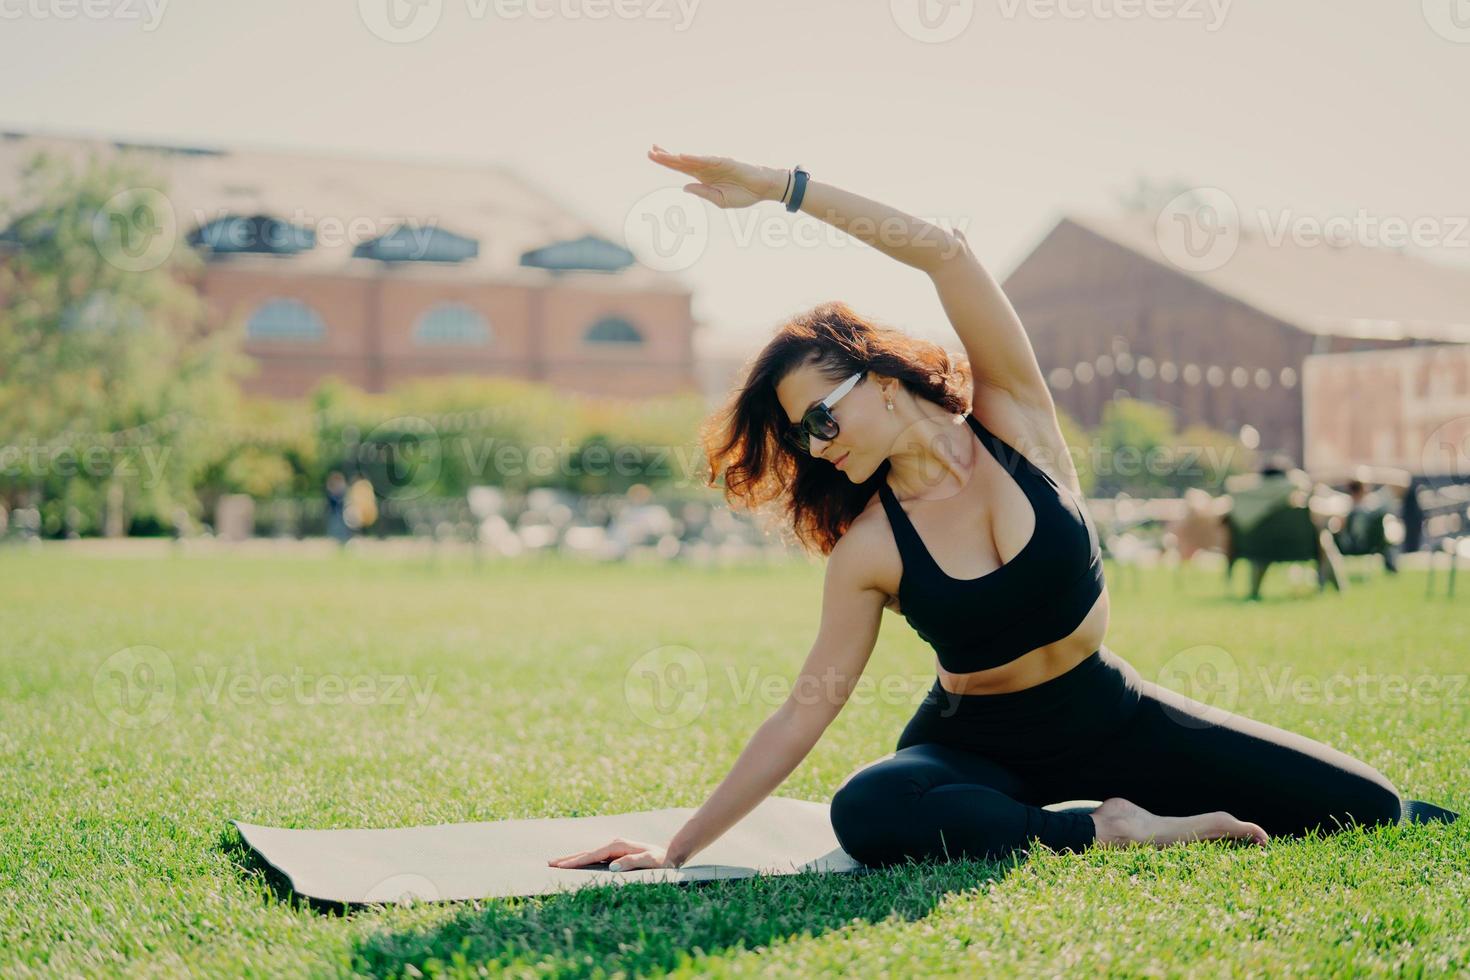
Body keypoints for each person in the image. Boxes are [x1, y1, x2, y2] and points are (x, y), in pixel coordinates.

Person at [547, 147, 1425, 875]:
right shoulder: (871, 549)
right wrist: (681, 846)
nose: (816, 449)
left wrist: (784, 189)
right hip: (978, 749)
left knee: (1374, 809)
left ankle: (1120, 805)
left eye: (820, 418)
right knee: (874, 807)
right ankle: (1106, 831)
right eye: (799, 438)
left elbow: (947, 253)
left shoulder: (1019, 423)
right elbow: (805, 708)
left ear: (882, 380)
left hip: (1113, 716)